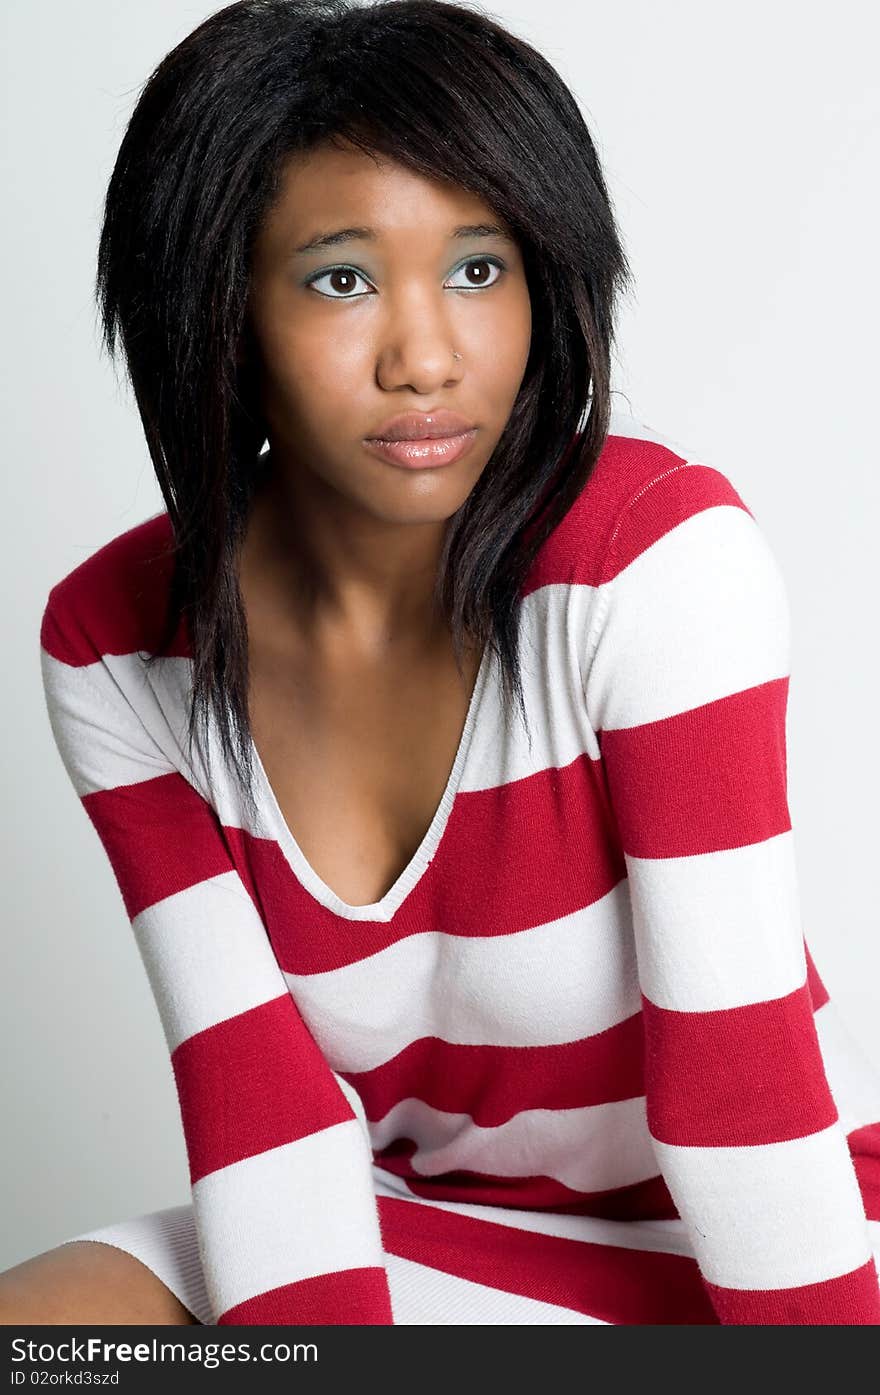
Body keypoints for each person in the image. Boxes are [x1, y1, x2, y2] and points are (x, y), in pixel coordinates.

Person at [5, 0, 880, 1326]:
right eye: (341, 277)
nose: (426, 359)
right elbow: (265, 1118)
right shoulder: (117, 644)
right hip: (421, 1234)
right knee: (48, 1325)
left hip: (769, 1231)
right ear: (217, 304)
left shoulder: (655, 565)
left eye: (479, 269)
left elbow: (738, 1099)